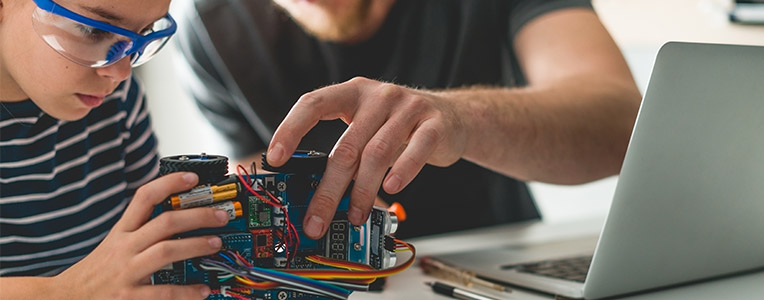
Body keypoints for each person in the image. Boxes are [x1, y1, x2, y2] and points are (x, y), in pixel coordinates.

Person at [175, 0, 641, 239]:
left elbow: (623, 125)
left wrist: (460, 119)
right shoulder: (208, 26)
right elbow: (256, 175)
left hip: (495, 260)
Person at [0, 0, 225, 298]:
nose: (121, 72)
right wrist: (65, 292)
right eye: (92, 31)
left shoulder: (116, 104)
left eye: (144, 33)